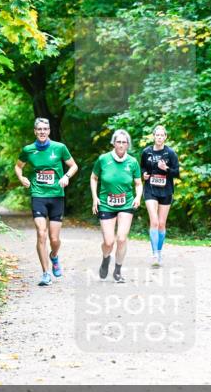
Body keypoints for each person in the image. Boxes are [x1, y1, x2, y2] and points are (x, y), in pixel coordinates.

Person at [14, 118, 78, 286]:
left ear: (49, 131)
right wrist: (21, 177)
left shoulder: (59, 148)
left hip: (57, 195)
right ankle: (45, 273)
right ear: (35, 131)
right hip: (38, 194)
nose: (42, 132)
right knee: (41, 233)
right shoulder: (28, 150)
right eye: (39, 129)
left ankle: (54, 256)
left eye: (45, 129)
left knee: (54, 239)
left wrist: (66, 176)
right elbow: (18, 166)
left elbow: (73, 166)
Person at [90, 129, 143, 283]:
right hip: (106, 204)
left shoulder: (132, 162)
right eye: (118, 142)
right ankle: (106, 259)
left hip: (126, 203)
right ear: (113, 143)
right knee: (109, 242)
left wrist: (138, 197)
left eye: (124, 142)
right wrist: (95, 198)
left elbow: (138, 183)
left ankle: (118, 271)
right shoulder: (103, 159)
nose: (121, 145)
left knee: (121, 238)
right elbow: (93, 178)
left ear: (128, 145)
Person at [140, 124, 180, 267]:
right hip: (150, 189)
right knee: (155, 222)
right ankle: (155, 255)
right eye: (157, 135)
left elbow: (177, 173)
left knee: (162, 224)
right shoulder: (146, 152)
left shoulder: (170, 153)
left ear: (165, 137)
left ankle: (159, 251)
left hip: (166, 190)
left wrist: (166, 168)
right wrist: (144, 174)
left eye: (162, 135)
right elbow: (142, 167)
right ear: (153, 137)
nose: (159, 137)